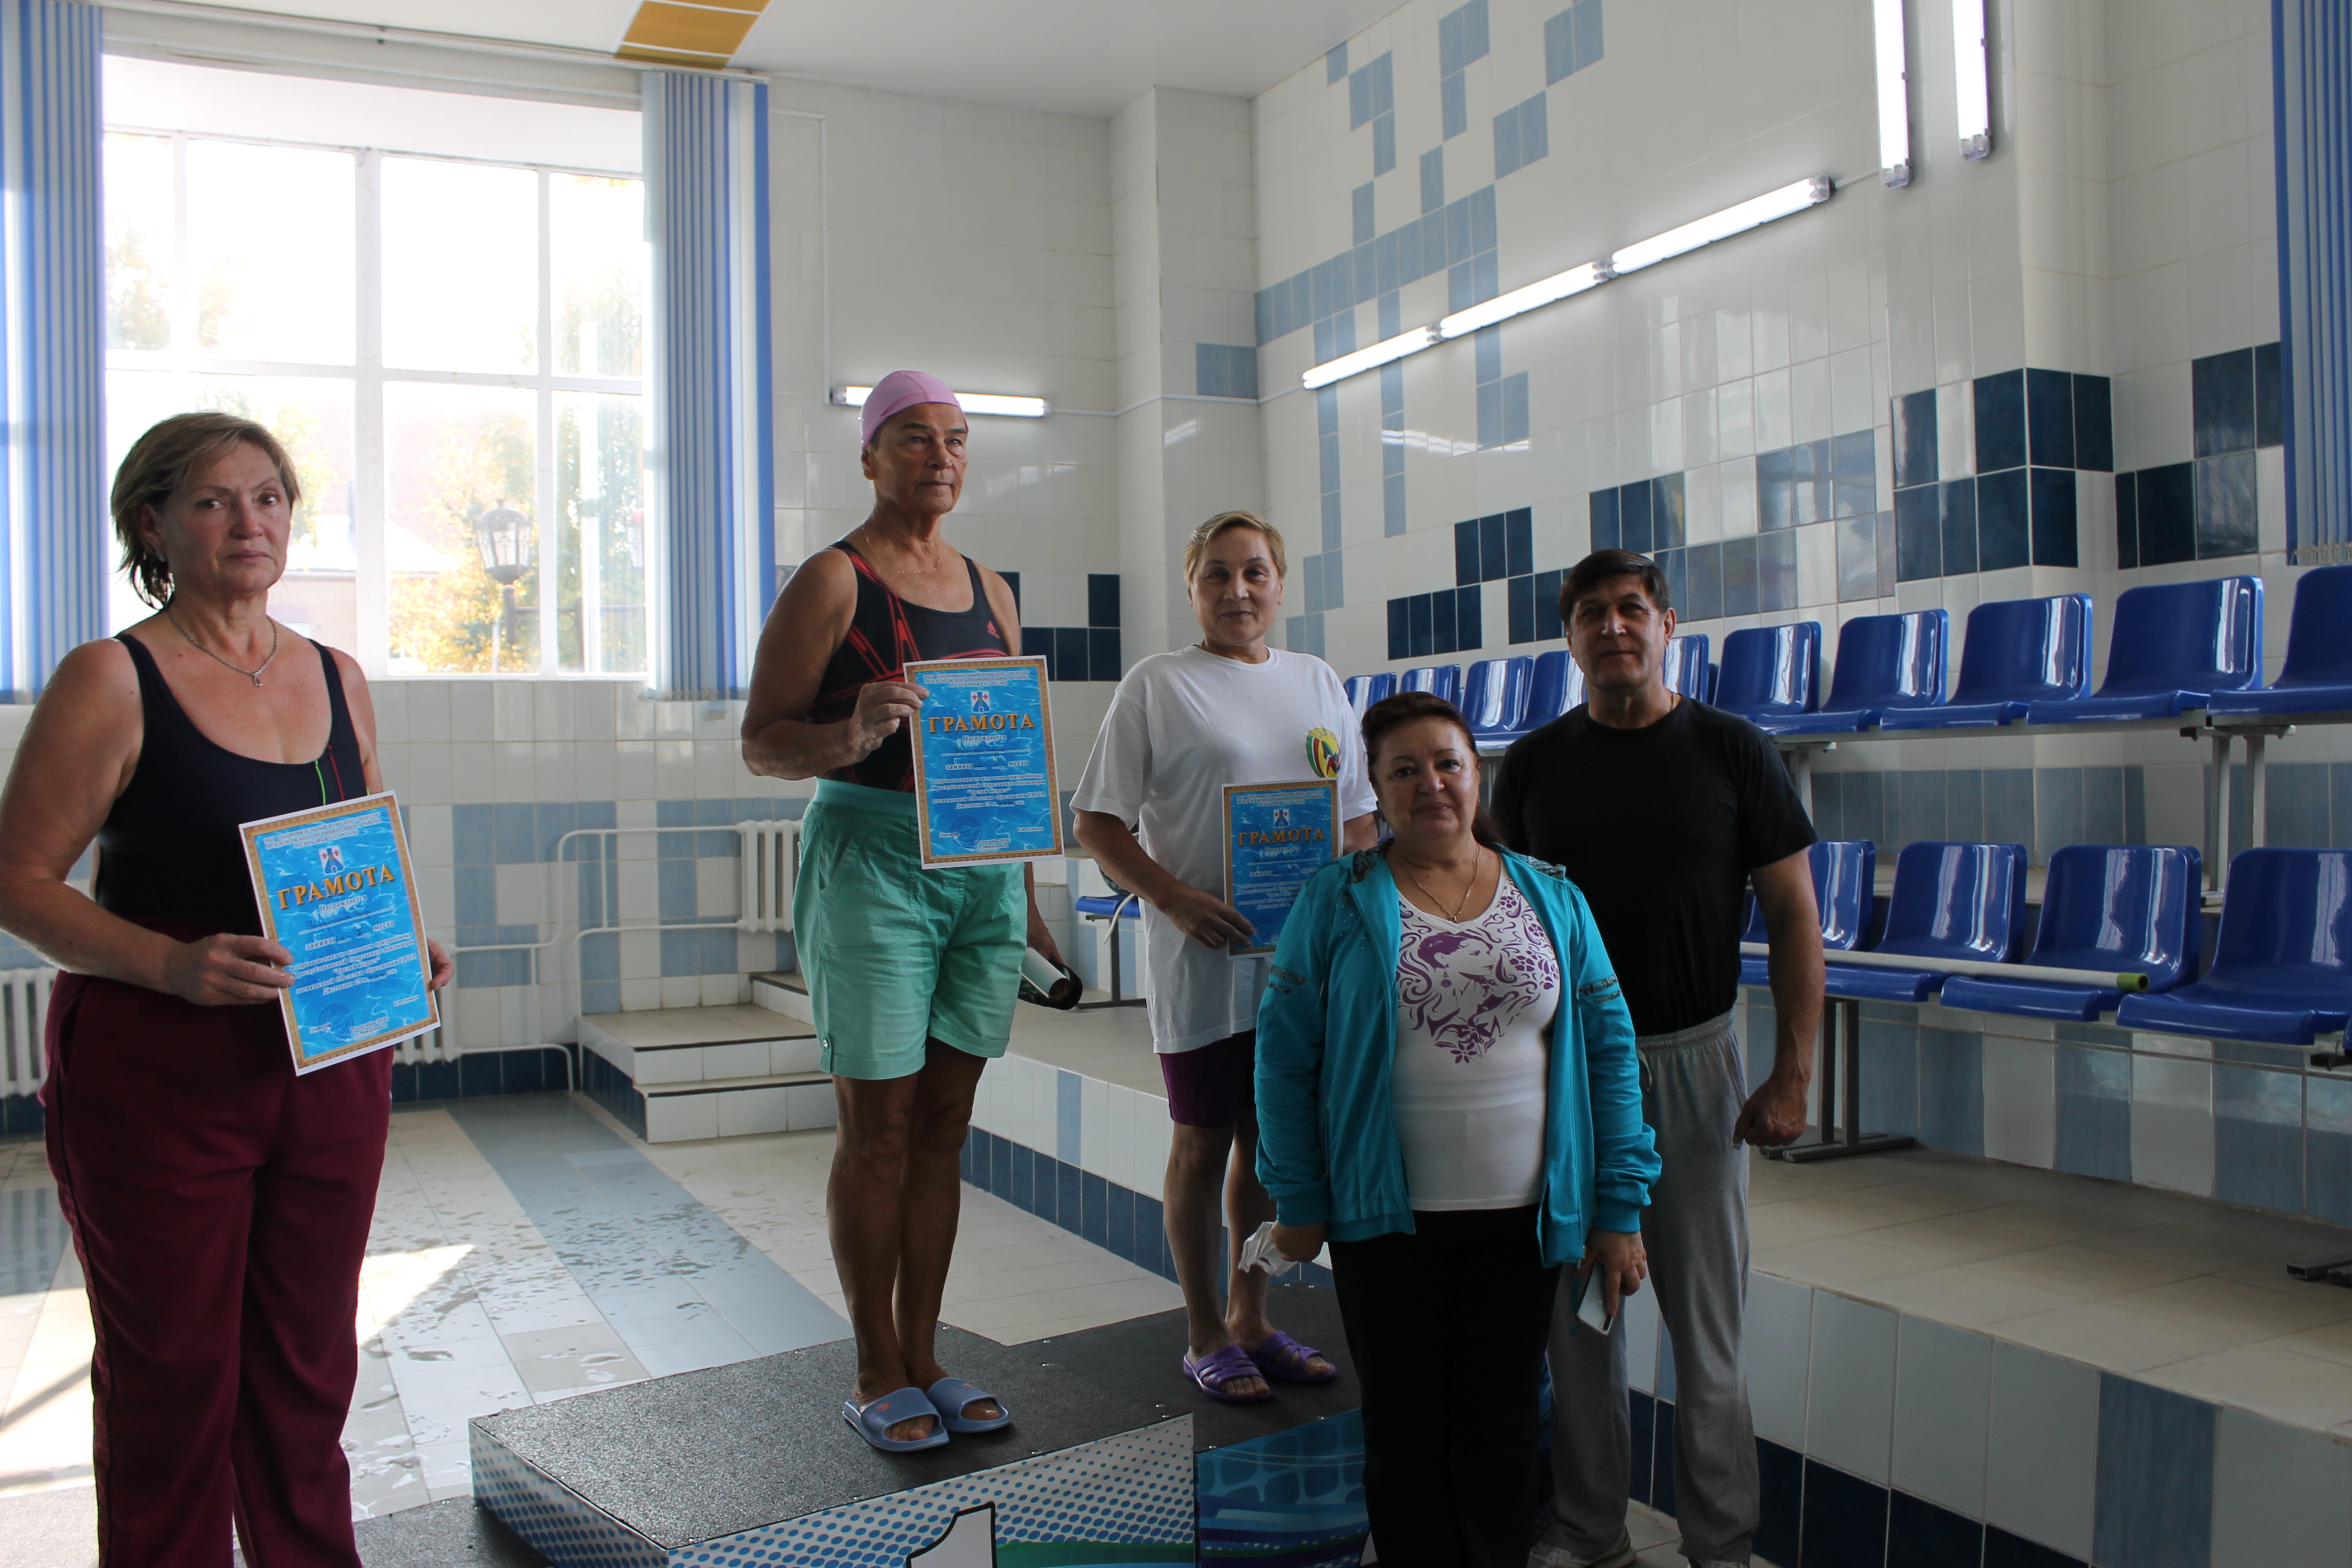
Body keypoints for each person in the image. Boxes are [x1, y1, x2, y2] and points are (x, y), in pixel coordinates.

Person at [0, 411, 454, 1566]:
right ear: (152, 524)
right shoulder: (114, 677)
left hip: (327, 1064)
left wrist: (403, 937)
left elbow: (363, 841)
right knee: (172, 1378)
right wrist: (171, 963)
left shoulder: (336, 674)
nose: (249, 522)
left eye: (268, 497)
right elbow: (15, 880)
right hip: (160, 1071)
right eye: (212, 500)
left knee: (308, 1367)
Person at [1257, 691, 1659, 1568]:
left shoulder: (1552, 896)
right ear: (1376, 790)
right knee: (1404, 1432)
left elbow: (1610, 1052)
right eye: (1404, 770)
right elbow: (1283, 1060)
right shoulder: (1336, 900)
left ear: (1479, 776)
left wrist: (1619, 1205)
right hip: (1384, 1222)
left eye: (1447, 764)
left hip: (1523, 1220)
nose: (1430, 784)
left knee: (1501, 1429)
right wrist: (1299, 1197)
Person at [741, 369, 1064, 1452]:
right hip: (872, 861)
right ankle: (874, 1362)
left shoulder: (990, 589)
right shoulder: (834, 580)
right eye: (916, 438)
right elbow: (761, 740)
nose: (941, 456)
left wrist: (1026, 894)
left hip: (981, 869)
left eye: (957, 439)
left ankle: (926, 1352)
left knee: (944, 1123)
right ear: (871, 456)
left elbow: (1007, 762)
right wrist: (850, 734)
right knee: (876, 1127)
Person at [1493, 550, 1823, 1568]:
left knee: (1707, 1330)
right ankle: (1595, 1537)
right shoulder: (1535, 766)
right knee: (1580, 1327)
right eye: (1590, 613)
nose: (1613, 627)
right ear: (1569, 638)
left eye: (1631, 608)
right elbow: (1495, 916)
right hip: (1569, 1071)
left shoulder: (1733, 750)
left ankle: (1721, 1546)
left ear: (1668, 624)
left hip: (1693, 1063)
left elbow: (1795, 915)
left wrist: (1793, 1071)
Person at [1070, 511, 1376, 1402]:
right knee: (1203, 1142)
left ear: (1280, 583)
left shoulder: (1316, 681)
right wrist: (1170, 897)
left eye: (1254, 572)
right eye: (1216, 574)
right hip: (1205, 959)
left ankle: (1252, 1316)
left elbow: (1358, 817)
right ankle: (1203, 1330)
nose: (1237, 591)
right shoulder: (1158, 685)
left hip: (1302, 959)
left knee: (1271, 1145)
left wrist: (1341, 909)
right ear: (1192, 586)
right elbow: (1097, 821)